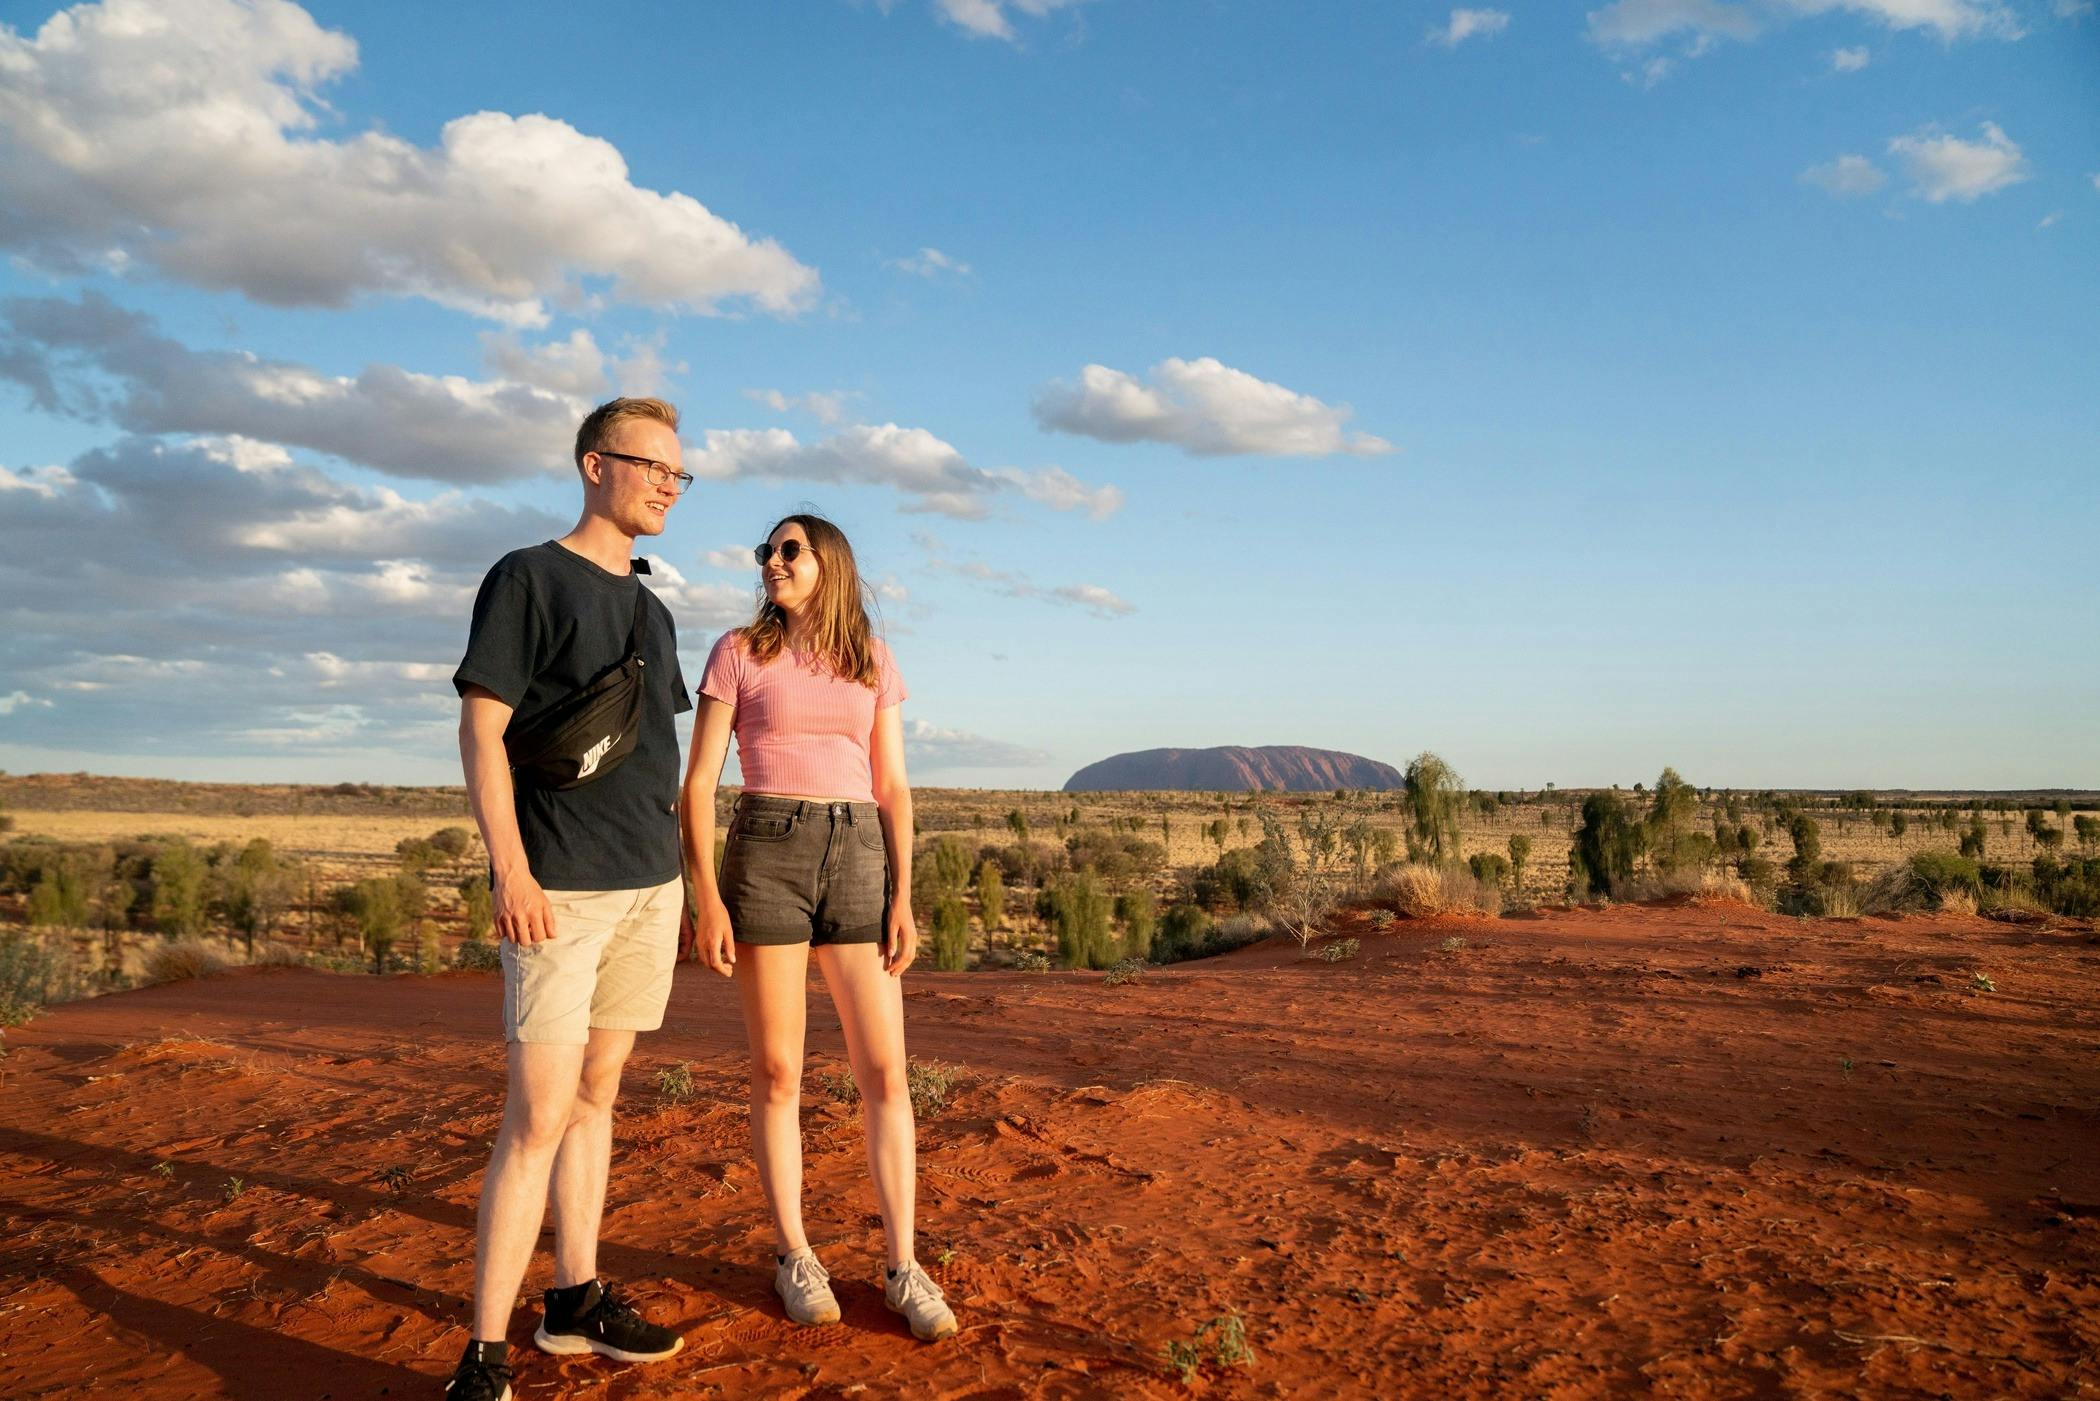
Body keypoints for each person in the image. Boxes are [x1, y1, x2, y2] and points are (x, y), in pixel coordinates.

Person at [444, 397, 697, 1401]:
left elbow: (663, 760)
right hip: (559, 888)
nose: (670, 485)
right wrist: (510, 868)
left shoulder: (651, 607)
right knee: (539, 1115)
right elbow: (480, 728)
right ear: (596, 465)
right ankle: (483, 1357)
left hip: (648, 888)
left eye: (682, 473)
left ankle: (574, 1300)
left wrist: (691, 887)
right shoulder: (527, 577)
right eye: (654, 467)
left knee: (598, 1097)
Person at [679, 512, 958, 1343]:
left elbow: (895, 785)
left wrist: (903, 894)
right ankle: (795, 1253)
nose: (771, 561)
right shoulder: (740, 651)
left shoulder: (872, 656)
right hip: (767, 850)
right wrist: (707, 896)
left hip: (860, 854)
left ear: (828, 562)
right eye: (765, 551)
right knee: (776, 1070)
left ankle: (904, 1265)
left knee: (885, 1071)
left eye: (788, 550)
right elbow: (697, 785)